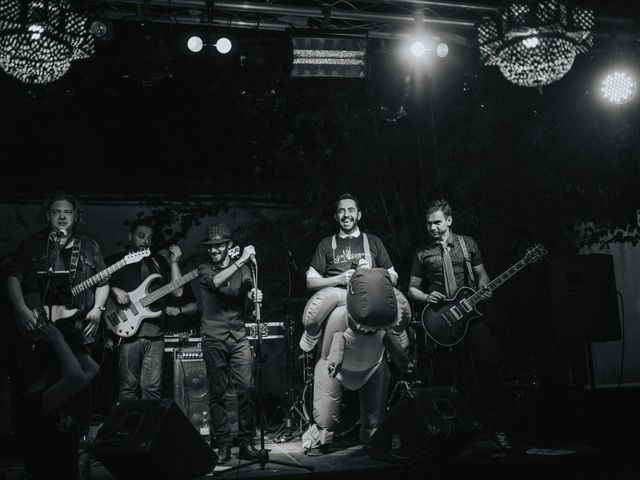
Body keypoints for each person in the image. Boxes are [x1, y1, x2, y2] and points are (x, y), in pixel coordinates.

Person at [408, 199, 497, 416]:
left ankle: (490, 419)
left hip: (472, 315)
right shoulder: (422, 252)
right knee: (449, 373)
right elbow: (412, 289)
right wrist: (427, 296)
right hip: (442, 319)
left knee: (484, 365)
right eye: (429, 223)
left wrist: (484, 286)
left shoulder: (467, 244)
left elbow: (481, 274)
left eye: (437, 222)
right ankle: (456, 420)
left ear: (449, 220)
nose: (432, 228)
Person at [299, 193, 401, 352]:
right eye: (341, 211)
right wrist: (339, 279)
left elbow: (393, 277)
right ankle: (312, 332)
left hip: (369, 299)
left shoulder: (373, 242)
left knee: (397, 297)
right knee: (328, 296)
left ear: (358, 215)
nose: (346, 215)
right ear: (335, 216)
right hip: (339, 298)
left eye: (351, 210)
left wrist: (371, 275)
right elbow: (311, 282)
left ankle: (398, 334)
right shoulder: (326, 244)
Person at [197, 224, 261, 463]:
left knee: (246, 389)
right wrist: (240, 260)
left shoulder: (243, 269)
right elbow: (215, 282)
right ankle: (223, 444)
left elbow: (248, 294)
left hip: (238, 335)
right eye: (211, 247)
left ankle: (246, 443)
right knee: (217, 393)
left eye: (218, 246)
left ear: (228, 246)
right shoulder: (204, 268)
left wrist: (255, 295)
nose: (214, 250)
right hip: (213, 336)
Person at [106, 219, 183, 400]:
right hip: (128, 332)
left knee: (152, 388)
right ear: (130, 236)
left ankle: (148, 428)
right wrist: (113, 289)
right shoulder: (116, 261)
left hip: (156, 332)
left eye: (149, 238)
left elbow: (178, 291)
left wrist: (174, 263)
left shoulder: (158, 262)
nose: (146, 241)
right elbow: (97, 286)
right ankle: (128, 428)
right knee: (128, 388)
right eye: (141, 236)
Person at [14, 323, 99, 480]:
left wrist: (64, 341)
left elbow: (92, 369)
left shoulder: (62, 394)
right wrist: (59, 341)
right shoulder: (30, 401)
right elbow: (76, 377)